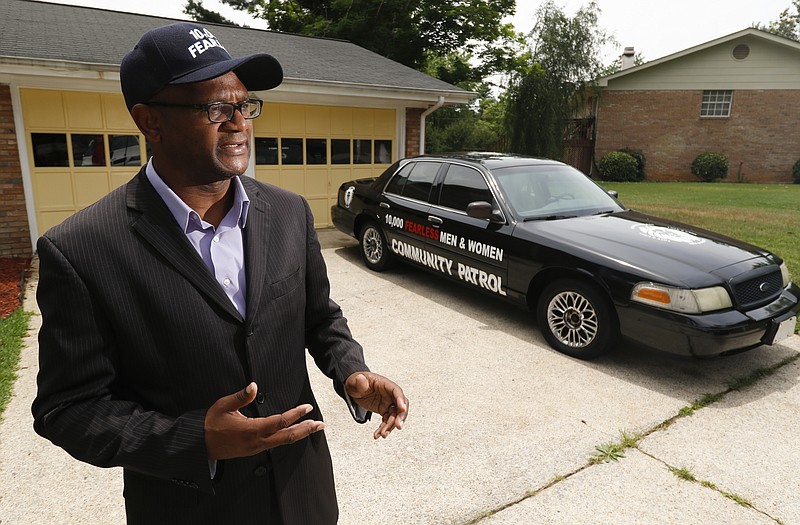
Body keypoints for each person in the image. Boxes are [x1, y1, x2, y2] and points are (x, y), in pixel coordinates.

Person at [31, 22, 408, 525]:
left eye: (244, 104)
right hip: (191, 508)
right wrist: (197, 440)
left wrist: (351, 371)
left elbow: (320, 318)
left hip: (303, 494)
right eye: (214, 107)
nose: (238, 123)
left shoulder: (289, 213)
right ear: (149, 121)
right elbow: (68, 410)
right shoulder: (81, 249)